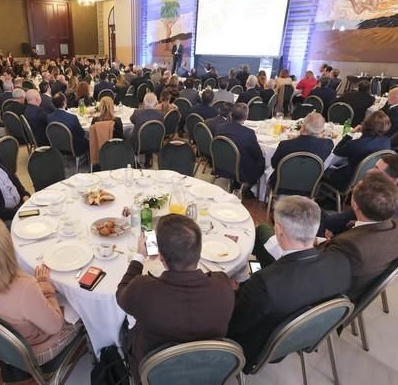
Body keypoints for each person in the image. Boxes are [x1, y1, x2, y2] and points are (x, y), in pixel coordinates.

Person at [229, 196, 351, 367]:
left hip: (255, 349)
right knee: (254, 265)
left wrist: (233, 290)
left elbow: (236, 323)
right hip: (300, 337)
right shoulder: (341, 264)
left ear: (278, 230)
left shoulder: (264, 285)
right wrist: (253, 277)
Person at [0, 215, 82, 364]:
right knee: (82, 307)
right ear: (5, 250)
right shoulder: (24, 288)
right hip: (31, 352)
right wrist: (45, 287)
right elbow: (55, 326)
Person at [116, 214, 235, 374]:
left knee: (122, 326)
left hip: (155, 373)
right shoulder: (223, 285)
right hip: (208, 369)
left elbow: (121, 293)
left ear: (162, 258)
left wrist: (139, 257)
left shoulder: (143, 290)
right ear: (199, 252)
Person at [317, 173, 398, 300]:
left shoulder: (349, 246)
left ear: (355, 205)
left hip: (339, 296)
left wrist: (324, 243)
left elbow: (319, 269)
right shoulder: (396, 224)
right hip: (367, 280)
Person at [322, 155, 398, 236]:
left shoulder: (375, 202)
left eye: (376, 169)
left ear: (393, 180)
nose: (369, 171)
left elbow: (332, 223)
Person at [322, 110, 391, 191]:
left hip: (349, 181)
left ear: (365, 124)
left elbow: (336, 151)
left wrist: (350, 133)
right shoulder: (387, 141)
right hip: (370, 179)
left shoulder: (355, 145)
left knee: (325, 168)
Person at [269, 113, 334, 189]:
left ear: (303, 126)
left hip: (281, 184)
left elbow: (274, 164)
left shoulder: (285, 145)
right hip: (310, 186)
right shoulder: (327, 145)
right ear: (321, 130)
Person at [211, 103, 265, 192]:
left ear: (231, 114)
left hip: (220, 163)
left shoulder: (219, 127)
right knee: (261, 160)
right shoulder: (248, 133)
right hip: (239, 170)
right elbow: (258, 155)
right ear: (246, 116)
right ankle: (251, 188)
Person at [130, 93, 163, 167]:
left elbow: (132, 120)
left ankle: (135, 162)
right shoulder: (161, 115)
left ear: (144, 103)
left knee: (130, 134)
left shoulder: (137, 113)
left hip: (138, 145)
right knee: (151, 133)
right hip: (155, 144)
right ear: (156, 103)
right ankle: (147, 161)